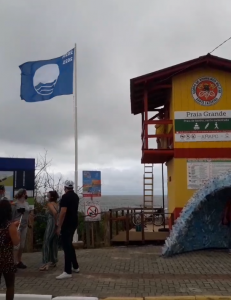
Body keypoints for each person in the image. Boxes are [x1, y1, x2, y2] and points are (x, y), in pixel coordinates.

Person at [56, 180, 80, 280]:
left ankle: (67, 271)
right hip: (74, 222)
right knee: (69, 244)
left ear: (65, 188)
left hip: (66, 224)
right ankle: (75, 266)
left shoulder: (65, 197)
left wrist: (59, 225)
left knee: (66, 246)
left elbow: (63, 212)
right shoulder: (76, 196)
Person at [0, 199, 20, 300]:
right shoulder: (10, 226)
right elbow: (16, 242)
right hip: (7, 259)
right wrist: (17, 229)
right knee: (10, 285)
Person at [39, 190, 59, 271]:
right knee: (53, 242)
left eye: (48, 195)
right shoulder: (57, 204)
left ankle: (45, 262)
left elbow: (54, 212)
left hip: (51, 223)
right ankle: (53, 260)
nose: (47, 196)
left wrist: (55, 222)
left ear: (52, 197)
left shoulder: (49, 204)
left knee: (46, 242)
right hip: (56, 224)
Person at [12, 189, 31, 269]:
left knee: (22, 246)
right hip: (17, 226)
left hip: (24, 226)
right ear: (23, 194)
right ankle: (13, 262)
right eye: (25, 193)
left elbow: (28, 214)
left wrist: (29, 222)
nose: (26, 194)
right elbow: (12, 216)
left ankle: (19, 261)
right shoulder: (15, 204)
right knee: (16, 245)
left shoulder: (26, 203)